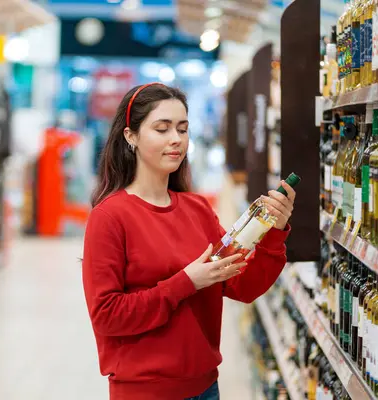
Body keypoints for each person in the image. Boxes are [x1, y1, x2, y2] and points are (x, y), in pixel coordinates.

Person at [82, 83, 296, 400]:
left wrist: (275, 232)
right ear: (131, 137)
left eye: (183, 129)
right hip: (145, 392)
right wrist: (186, 282)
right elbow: (107, 315)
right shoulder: (110, 217)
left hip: (206, 387)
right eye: (162, 128)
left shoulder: (196, 209)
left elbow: (243, 286)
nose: (176, 140)